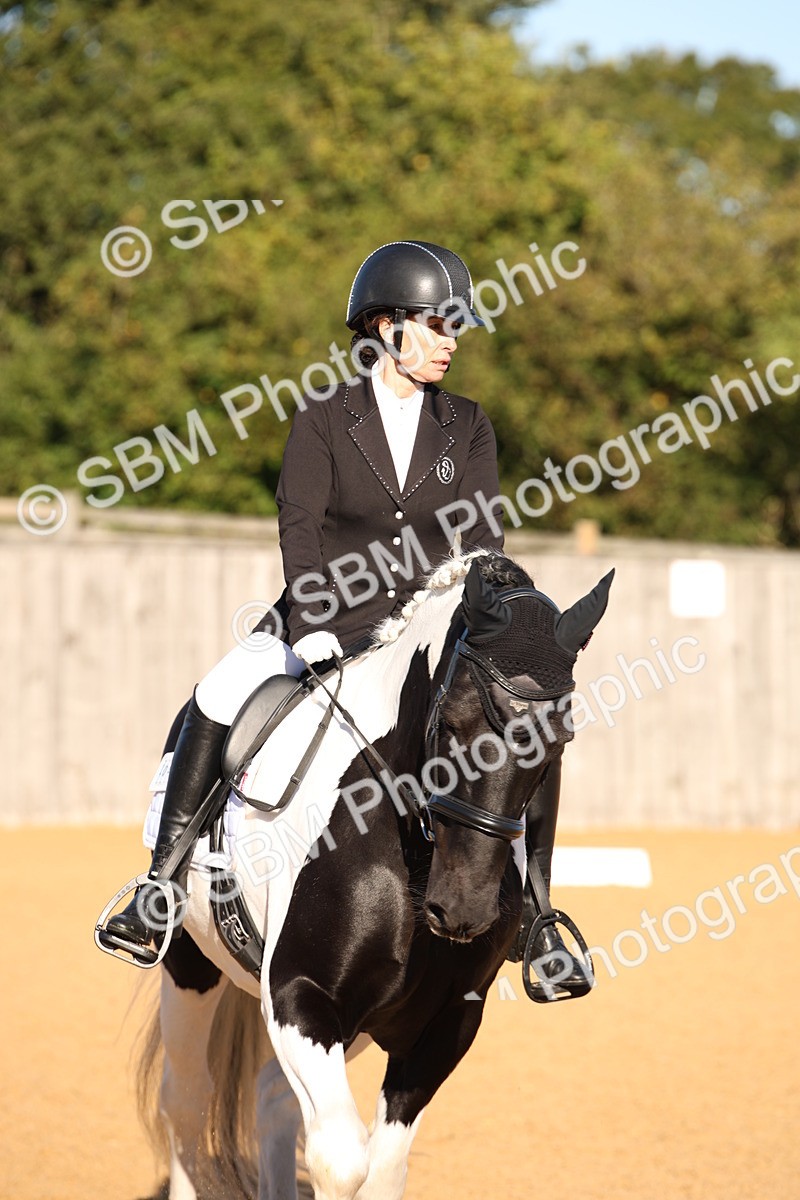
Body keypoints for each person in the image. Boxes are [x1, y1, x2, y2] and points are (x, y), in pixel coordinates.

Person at [101, 240, 587, 996]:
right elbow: (300, 525)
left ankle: (540, 915)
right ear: (387, 328)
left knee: (522, 719)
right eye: (437, 325)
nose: (451, 341)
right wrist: (313, 621)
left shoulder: (469, 425)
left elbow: (485, 538)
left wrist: (495, 618)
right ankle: (158, 886)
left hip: (426, 637)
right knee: (222, 693)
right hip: (327, 623)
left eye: (456, 327)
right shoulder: (325, 418)